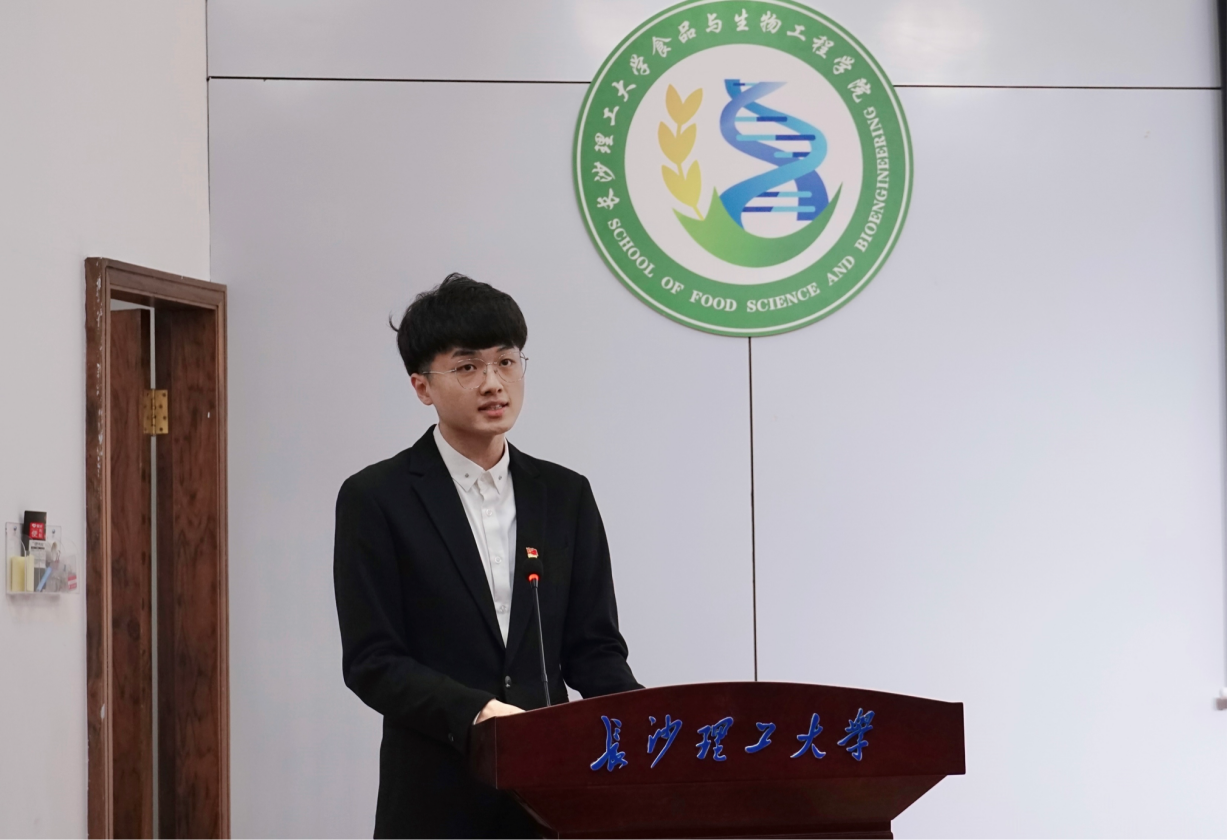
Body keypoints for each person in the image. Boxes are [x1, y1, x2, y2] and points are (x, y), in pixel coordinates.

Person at [333, 273, 641, 839]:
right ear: (422, 387)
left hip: (550, 796)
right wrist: (477, 711)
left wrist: (643, 721)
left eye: (506, 361)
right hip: (435, 795)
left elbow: (593, 648)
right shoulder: (376, 497)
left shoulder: (564, 494)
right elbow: (373, 661)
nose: (493, 383)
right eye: (468, 366)